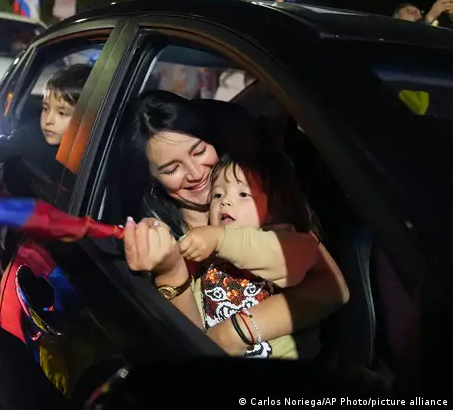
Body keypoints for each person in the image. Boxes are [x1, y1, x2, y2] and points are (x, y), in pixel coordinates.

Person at [117, 90, 349, 357]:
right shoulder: (156, 242)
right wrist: (170, 272)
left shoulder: (258, 197)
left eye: (199, 151)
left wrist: (235, 331)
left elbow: (333, 288)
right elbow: (187, 345)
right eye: (172, 169)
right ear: (151, 179)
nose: (195, 173)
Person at [178, 150, 320, 358]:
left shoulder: (286, 238)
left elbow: (287, 258)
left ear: (275, 207)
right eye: (217, 195)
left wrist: (221, 238)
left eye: (244, 194)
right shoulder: (208, 257)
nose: (225, 202)